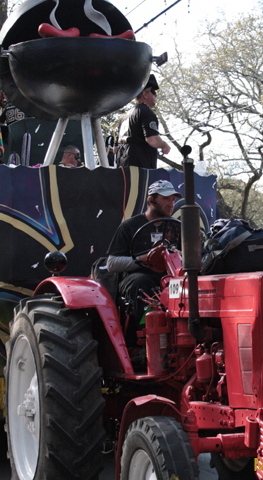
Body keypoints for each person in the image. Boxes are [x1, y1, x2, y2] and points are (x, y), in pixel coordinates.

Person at [106, 180, 181, 344]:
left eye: (173, 199)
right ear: (151, 200)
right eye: (165, 199)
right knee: (142, 282)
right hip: (136, 277)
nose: (171, 204)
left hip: (169, 277)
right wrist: (142, 259)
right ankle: (147, 340)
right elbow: (111, 264)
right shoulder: (129, 226)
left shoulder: (176, 227)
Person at [115, 75, 171, 169]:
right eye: (153, 92)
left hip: (122, 170)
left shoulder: (125, 117)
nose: (155, 95)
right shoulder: (146, 112)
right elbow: (152, 140)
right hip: (140, 170)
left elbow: (115, 148)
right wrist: (164, 145)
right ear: (145, 94)